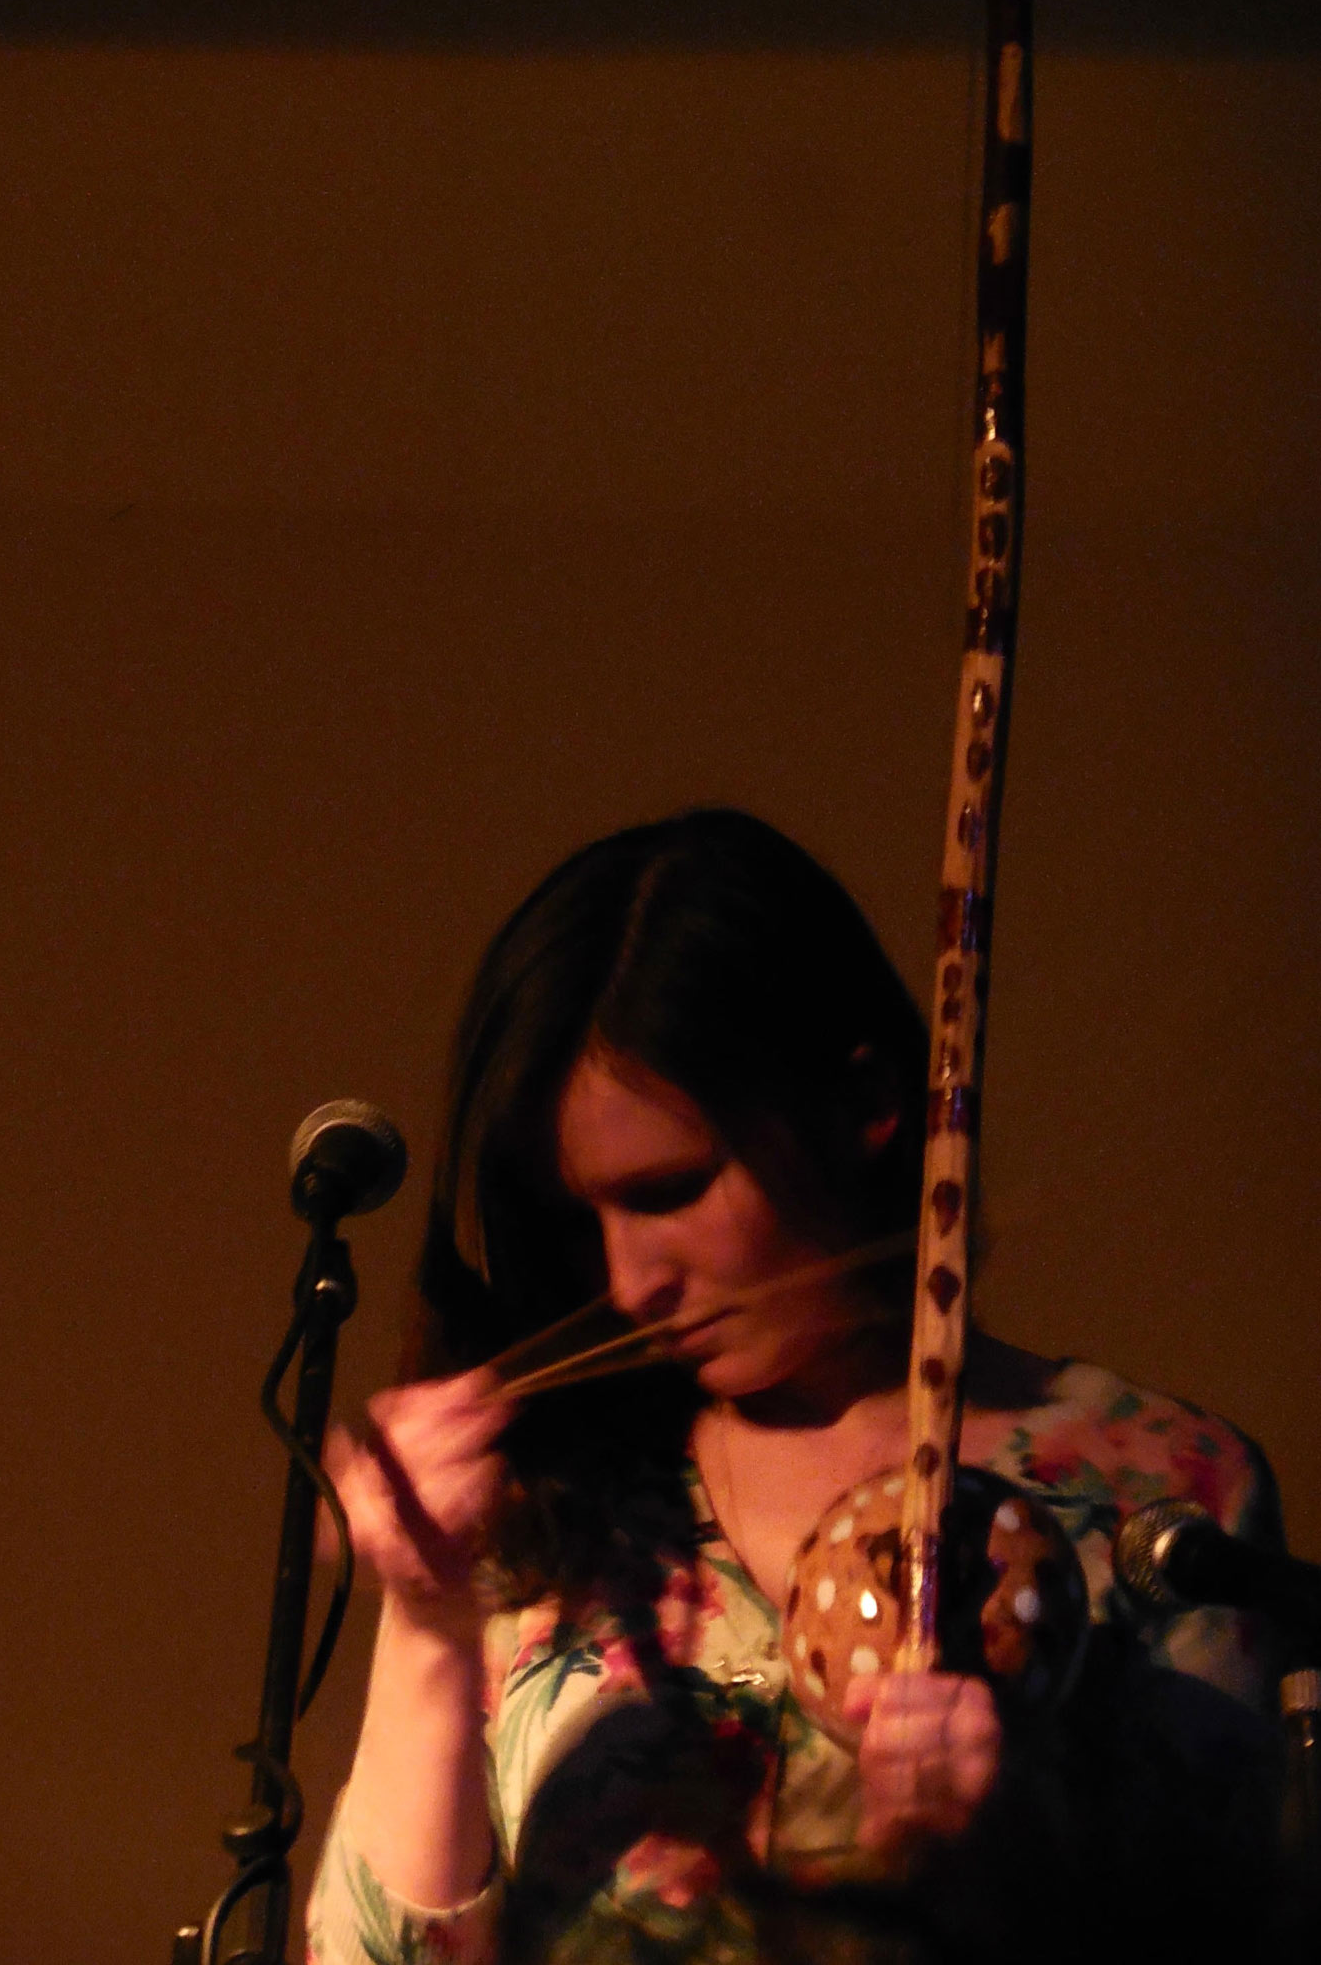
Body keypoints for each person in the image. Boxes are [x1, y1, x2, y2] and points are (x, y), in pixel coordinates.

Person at [305, 809, 1283, 1965]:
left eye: (670, 1189)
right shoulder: (548, 1515)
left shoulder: (1156, 1490)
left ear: (865, 1102)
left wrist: (1010, 1849)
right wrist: (426, 1619)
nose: (628, 1282)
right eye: (585, 1216)